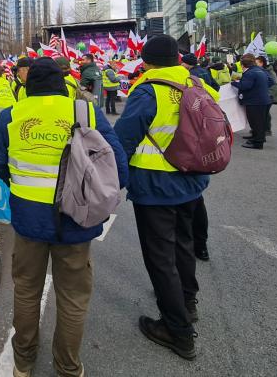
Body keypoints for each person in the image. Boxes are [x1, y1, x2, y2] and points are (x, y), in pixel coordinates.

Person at [0, 58, 128, 377]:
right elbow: (118, 166)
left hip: (28, 221)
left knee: (25, 290)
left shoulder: (12, 115)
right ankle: (67, 366)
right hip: (76, 221)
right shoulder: (85, 112)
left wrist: (19, 184)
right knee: (73, 296)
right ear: (61, 84)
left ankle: (23, 363)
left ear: (27, 85)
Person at [113, 35, 217, 360]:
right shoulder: (195, 82)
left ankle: (178, 331)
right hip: (191, 181)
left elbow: (123, 140)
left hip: (155, 186)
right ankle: (188, 301)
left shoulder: (147, 89)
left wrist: (111, 181)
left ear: (145, 61)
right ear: (177, 57)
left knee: (160, 258)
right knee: (183, 244)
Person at [232, 54, 273, 149]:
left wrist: (233, 82)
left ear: (243, 65)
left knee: (256, 122)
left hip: (255, 101)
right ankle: (257, 137)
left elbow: (245, 86)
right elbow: (271, 82)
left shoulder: (250, 73)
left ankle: (258, 143)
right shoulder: (260, 70)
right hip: (263, 100)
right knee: (260, 122)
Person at [256, 56, 277, 136]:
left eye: (257, 63)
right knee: (263, 113)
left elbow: (273, 85)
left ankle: (267, 129)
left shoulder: (269, 72)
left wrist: (268, 95)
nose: (255, 65)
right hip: (265, 95)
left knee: (265, 114)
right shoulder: (262, 71)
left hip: (269, 95)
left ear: (262, 63)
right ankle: (262, 129)